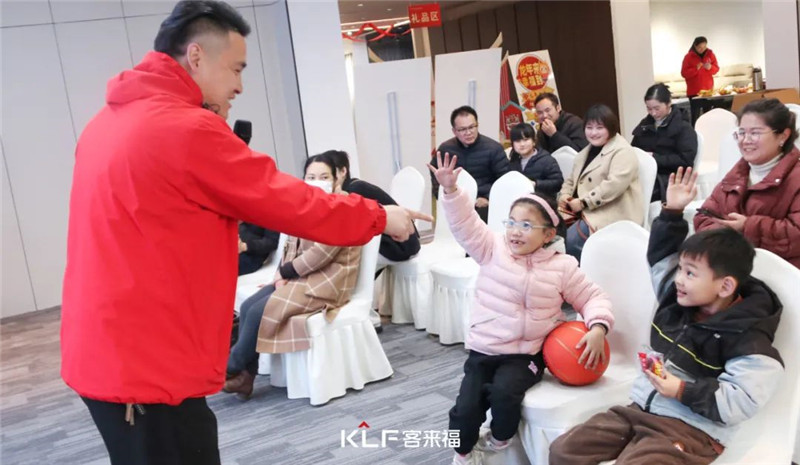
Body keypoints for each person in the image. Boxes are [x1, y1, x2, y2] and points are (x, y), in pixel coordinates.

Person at [60, 2, 428, 464]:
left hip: (111, 345)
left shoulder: (108, 122)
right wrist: (379, 216)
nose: (239, 85)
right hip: (145, 362)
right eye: (235, 68)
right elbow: (289, 201)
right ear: (196, 57)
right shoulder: (182, 128)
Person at [550, 167, 783, 465]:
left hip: (692, 429)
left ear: (725, 286)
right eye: (681, 270)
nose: (679, 280)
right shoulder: (678, 301)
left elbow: (739, 402)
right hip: (640, 409)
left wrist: (682, 390)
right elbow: (662, 258)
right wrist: (672, 211)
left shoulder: (750, 340)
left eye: (690, 273)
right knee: (564, 450)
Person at [429, 152, 614, 465]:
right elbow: (465, 224)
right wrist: (450, 191)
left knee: (504, 396)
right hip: (483, 350)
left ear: (548, 234)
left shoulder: (562, 267)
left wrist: (598, 327)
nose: (515, 231)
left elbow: (592, 296)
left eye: (527, 225)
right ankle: (462, 453)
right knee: (465, 410)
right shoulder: (492, 248)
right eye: (512, 223)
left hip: (526, 355)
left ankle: (500, 439)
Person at [224, 154, 362, 398]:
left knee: (259, 312)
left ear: (337, 178)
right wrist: (280, 273)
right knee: (247, 307)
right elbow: (291, 244)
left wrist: (286, 271)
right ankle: (245, 377)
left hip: (328, 280)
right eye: (311, 177)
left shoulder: (344, 206)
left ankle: (230, 367)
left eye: (324, 177)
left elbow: (322, 253)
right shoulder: (309, 204)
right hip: (301, 276)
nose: (317, 181)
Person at [694, 98, 800, 268]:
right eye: (742, 133)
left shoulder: (795, 177)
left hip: (783, 274)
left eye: (755, 133)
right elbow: (704, 217)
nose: (746, 140)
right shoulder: (738, 173)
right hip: (735, 267)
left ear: (783, 136)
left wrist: (748, 227)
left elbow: (796, 235)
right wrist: (729, 240)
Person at [326, 150, 421, 332]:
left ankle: (368, 318)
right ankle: (363, 314)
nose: (324, 180)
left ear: (343, 171)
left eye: (327, 174)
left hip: (401, 244)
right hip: (386, 242)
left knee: (353, 263)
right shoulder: (345, 192)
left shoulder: (356, 190)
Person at [558, 104, 643, 261]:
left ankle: (584, 273)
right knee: (548, 233)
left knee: (571, 240)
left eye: (599, 128)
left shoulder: (623, 151)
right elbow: (571, 180)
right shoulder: (584, 153)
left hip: (612, 212)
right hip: (582, 211)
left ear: (611, 127)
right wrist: (564, 195)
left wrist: (584, 202)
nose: (593, 133)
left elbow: (613, 185)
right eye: (589, 127)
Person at [430, 105, 510, 223]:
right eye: (462, 129)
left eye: (472, 127)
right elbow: (436, 176)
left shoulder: (494, 148)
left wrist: (488, 198)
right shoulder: (445, 149)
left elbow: (504, 180)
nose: (468, 133)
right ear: (454, 131)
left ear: (477, 125)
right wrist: (444, 195)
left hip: (483, 204)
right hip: (455, 201)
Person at [632, 83, 698, 202]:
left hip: (669, 177)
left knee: (636, 192)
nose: (653, 113)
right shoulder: (646, 125)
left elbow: (686, 160)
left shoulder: (683, 127)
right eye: (649, 109)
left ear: (669, 103)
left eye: (657, 108)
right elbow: (634, 148)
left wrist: (654, 158)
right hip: (646, 173)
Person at [508, 123, 563, 198]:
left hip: (542, 200)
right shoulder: (513, 161)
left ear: (534, 141)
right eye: (517, 141)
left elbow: (558, 183)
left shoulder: (546, 160)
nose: (522, 144)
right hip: (519, 199)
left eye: (525, 140)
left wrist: (536, 184)